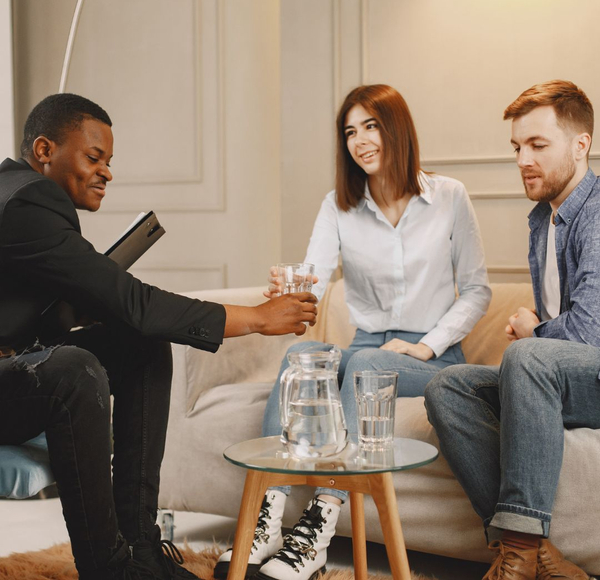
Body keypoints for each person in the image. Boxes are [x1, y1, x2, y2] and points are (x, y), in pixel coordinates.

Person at [0, 93, 318, 580]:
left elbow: (59, 308)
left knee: (138, 345)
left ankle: (138, 544)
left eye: (108, 160)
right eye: (93, 157)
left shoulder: (24, 200)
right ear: (44, 149)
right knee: (73, 369)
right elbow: (135, 302)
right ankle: (108, 567)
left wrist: (98, 290)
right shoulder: (29, 204)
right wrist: (256, 317)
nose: (106, 171)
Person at [215, 84, 491, 580]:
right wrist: (291, 286)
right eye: (350, 131)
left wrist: (426, 345)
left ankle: (320, 526)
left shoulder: (449, 196)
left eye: (371, 126)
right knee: (305, 357)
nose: (360, 140)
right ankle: (267, 517)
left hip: (436, 357)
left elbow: (476, 290)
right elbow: (314, 280)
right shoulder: (338, 205)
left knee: (363, 366)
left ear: (396, 130)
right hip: (370, 346)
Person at [424, 80, 600, 580]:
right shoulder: (543, 220)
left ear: (580, 144)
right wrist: (539, 338)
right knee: (449, 387)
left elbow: (590, 334)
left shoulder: (598, 213)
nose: (523, 158)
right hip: (569, 378)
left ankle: (516, 560)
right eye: (517, 147)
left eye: (538, 145)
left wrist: (536, 331)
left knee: (526, 356)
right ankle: (537, 553)